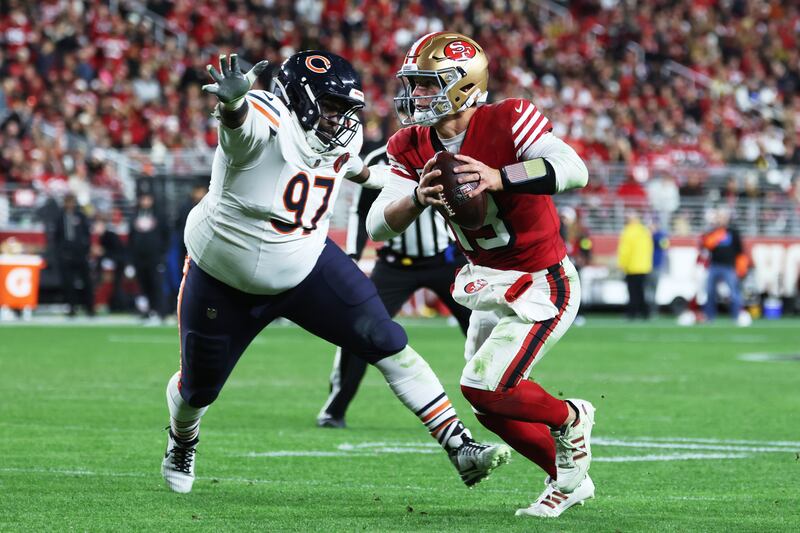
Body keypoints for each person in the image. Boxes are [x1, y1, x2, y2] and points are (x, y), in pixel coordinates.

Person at [160, 51, 510, 495]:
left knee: (389, 341)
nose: (340, 120)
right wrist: (232, 105)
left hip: (306, 263)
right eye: (330, 107)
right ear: (300, 99)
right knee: (198, 391)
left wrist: (405, 183)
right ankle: (182, 439)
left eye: (346, 110)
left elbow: (357, 170)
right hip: (223, 275)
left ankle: (459, 446)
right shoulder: (265, 118)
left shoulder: (338, 136)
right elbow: (239, 130)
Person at [366, 32, 594, 518]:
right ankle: (568, 480)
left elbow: (574, 169)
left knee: (483, 386)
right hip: (487, 279)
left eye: (429, 85)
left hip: (542, 279)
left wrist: (500, 175)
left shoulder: (508, 118)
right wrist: (415, 199)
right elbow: (377, 227)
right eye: (415, 85)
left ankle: (571, 417)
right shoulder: (408, 144)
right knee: (490, 407)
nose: (417, 96)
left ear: (465, 86)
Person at [317, 144, 471, 429]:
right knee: (359, 328)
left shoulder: (448, 156)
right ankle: (334, 407)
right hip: (395, 264)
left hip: (445, 260)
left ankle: (506, 397)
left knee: (481, 325)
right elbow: (361, 211)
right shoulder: (379, 160)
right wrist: (352, 256)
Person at [128, 189, 170, 322]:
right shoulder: (134, 216)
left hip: (155, 257)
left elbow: (166, 235)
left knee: (156, 284)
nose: (145, 202)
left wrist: (162, 252)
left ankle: (160, 312)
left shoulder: (159, 215)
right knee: (143, 284)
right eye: (143, 199)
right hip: (139, 258)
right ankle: (147, 311)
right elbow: (131, 237)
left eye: (148, 199)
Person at [701, 208, 746, 324]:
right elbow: (705, 246)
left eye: (723, 217)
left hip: (729, 266)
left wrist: (740, 267)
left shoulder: (733, 232)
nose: (721, 219)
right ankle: (709, 317)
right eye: (719, 217)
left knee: (734, 293)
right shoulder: (712, 231)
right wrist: (714, 237)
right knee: (710, 292)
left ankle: (736, 316)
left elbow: (740, 251)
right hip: (714, 265)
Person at [53, 193, 95, 317]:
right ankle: (72, 307)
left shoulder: (81, 216)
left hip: (80, 254)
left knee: (86, 281)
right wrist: (60, 252)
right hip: (66, 255)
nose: (70, 204)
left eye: (72, 201)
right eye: (68, 201)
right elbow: (56, 237)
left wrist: (86, 249)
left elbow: (87, 234)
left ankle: (89, 307)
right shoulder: (60, 217)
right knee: (68, 283)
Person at [617, 210, 654, 320]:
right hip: (644, 266)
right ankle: (644, 312)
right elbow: (649, 249)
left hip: (632, 266)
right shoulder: (644, 231)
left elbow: (625, 250)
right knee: (641, 291)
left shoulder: (628, 231)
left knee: (632, 291)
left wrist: (622, 264)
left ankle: (632, 313)